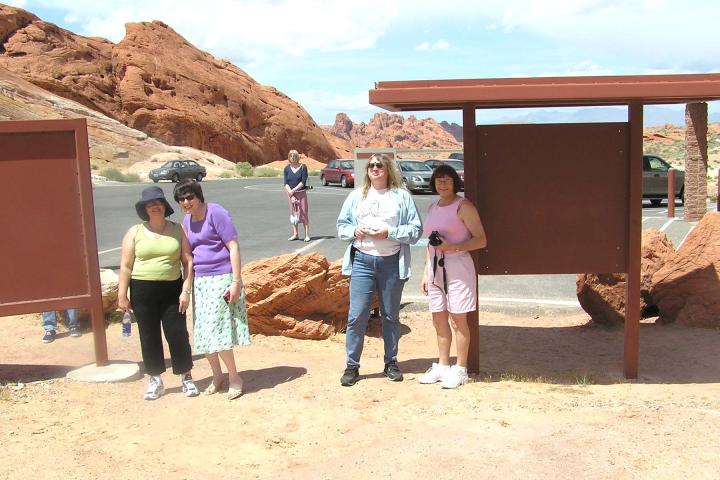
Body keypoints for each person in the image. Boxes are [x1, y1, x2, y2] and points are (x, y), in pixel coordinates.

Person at [336, 154, 422, 386]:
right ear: (367, 170)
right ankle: (352, 366)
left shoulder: (401, 196)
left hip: (391, 263)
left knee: (390, 316)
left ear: (388, 169)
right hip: (362, 262)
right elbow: (342, 226)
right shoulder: (357, 196)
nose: (375, 168)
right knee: (357, 316)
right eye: (371, 165)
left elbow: (415, 230)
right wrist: (354, 231)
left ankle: (391, 363)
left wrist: (389, 233)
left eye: (379, 165)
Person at [117, 186, 199, 400]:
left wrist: (185, 290)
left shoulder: (178, 229)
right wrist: (122, 295)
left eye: (158, 203)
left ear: (164, 206)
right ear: (145, 209)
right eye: (150, 204)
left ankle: (186, 377)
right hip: (142, 290)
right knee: (148, 335)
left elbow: (188, 261)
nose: (155, 206)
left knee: (177, 334)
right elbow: (125, 265)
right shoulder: (135, 232)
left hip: (172, 289)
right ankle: (155, 380)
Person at [174, 179, 251, 400]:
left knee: (218, 330)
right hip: (201, 282)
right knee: (203, 332)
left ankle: (234, 377)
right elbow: (188, 256)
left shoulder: (216, 212)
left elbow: (233, 246)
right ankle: (217, 376)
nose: (186, 202)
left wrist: (236, 281)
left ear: (198, 196)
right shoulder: (187, 221)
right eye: (181, 199)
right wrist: (186, 287)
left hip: (221, 277)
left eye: (190, 197)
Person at [420, 164, 487, 389]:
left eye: (447, 179)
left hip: (458, 268)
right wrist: (425, 272)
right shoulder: (433, 207)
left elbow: (481, 240)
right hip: (435, 269)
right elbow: (430, 243)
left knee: (458, 320)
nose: (443, 183)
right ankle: (442, 365)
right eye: (439, 179)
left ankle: (461, 369)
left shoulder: (464, 206)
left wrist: (453, 247)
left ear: (455, 182)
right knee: (438, 318)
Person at [283, 149, 311, 242]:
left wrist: (293, 190)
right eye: (291, 156)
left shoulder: (303, 167)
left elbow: (303, 182)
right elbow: (285, 183)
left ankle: (307, 235)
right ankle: (295, 234)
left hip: (301, 193)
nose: (293, 158)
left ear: (297, 157)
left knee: (303, 213)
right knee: (293, 213)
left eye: (294, 156)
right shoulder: (286, 169)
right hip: (291, 194)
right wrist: (291, 193)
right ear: (289, 157)